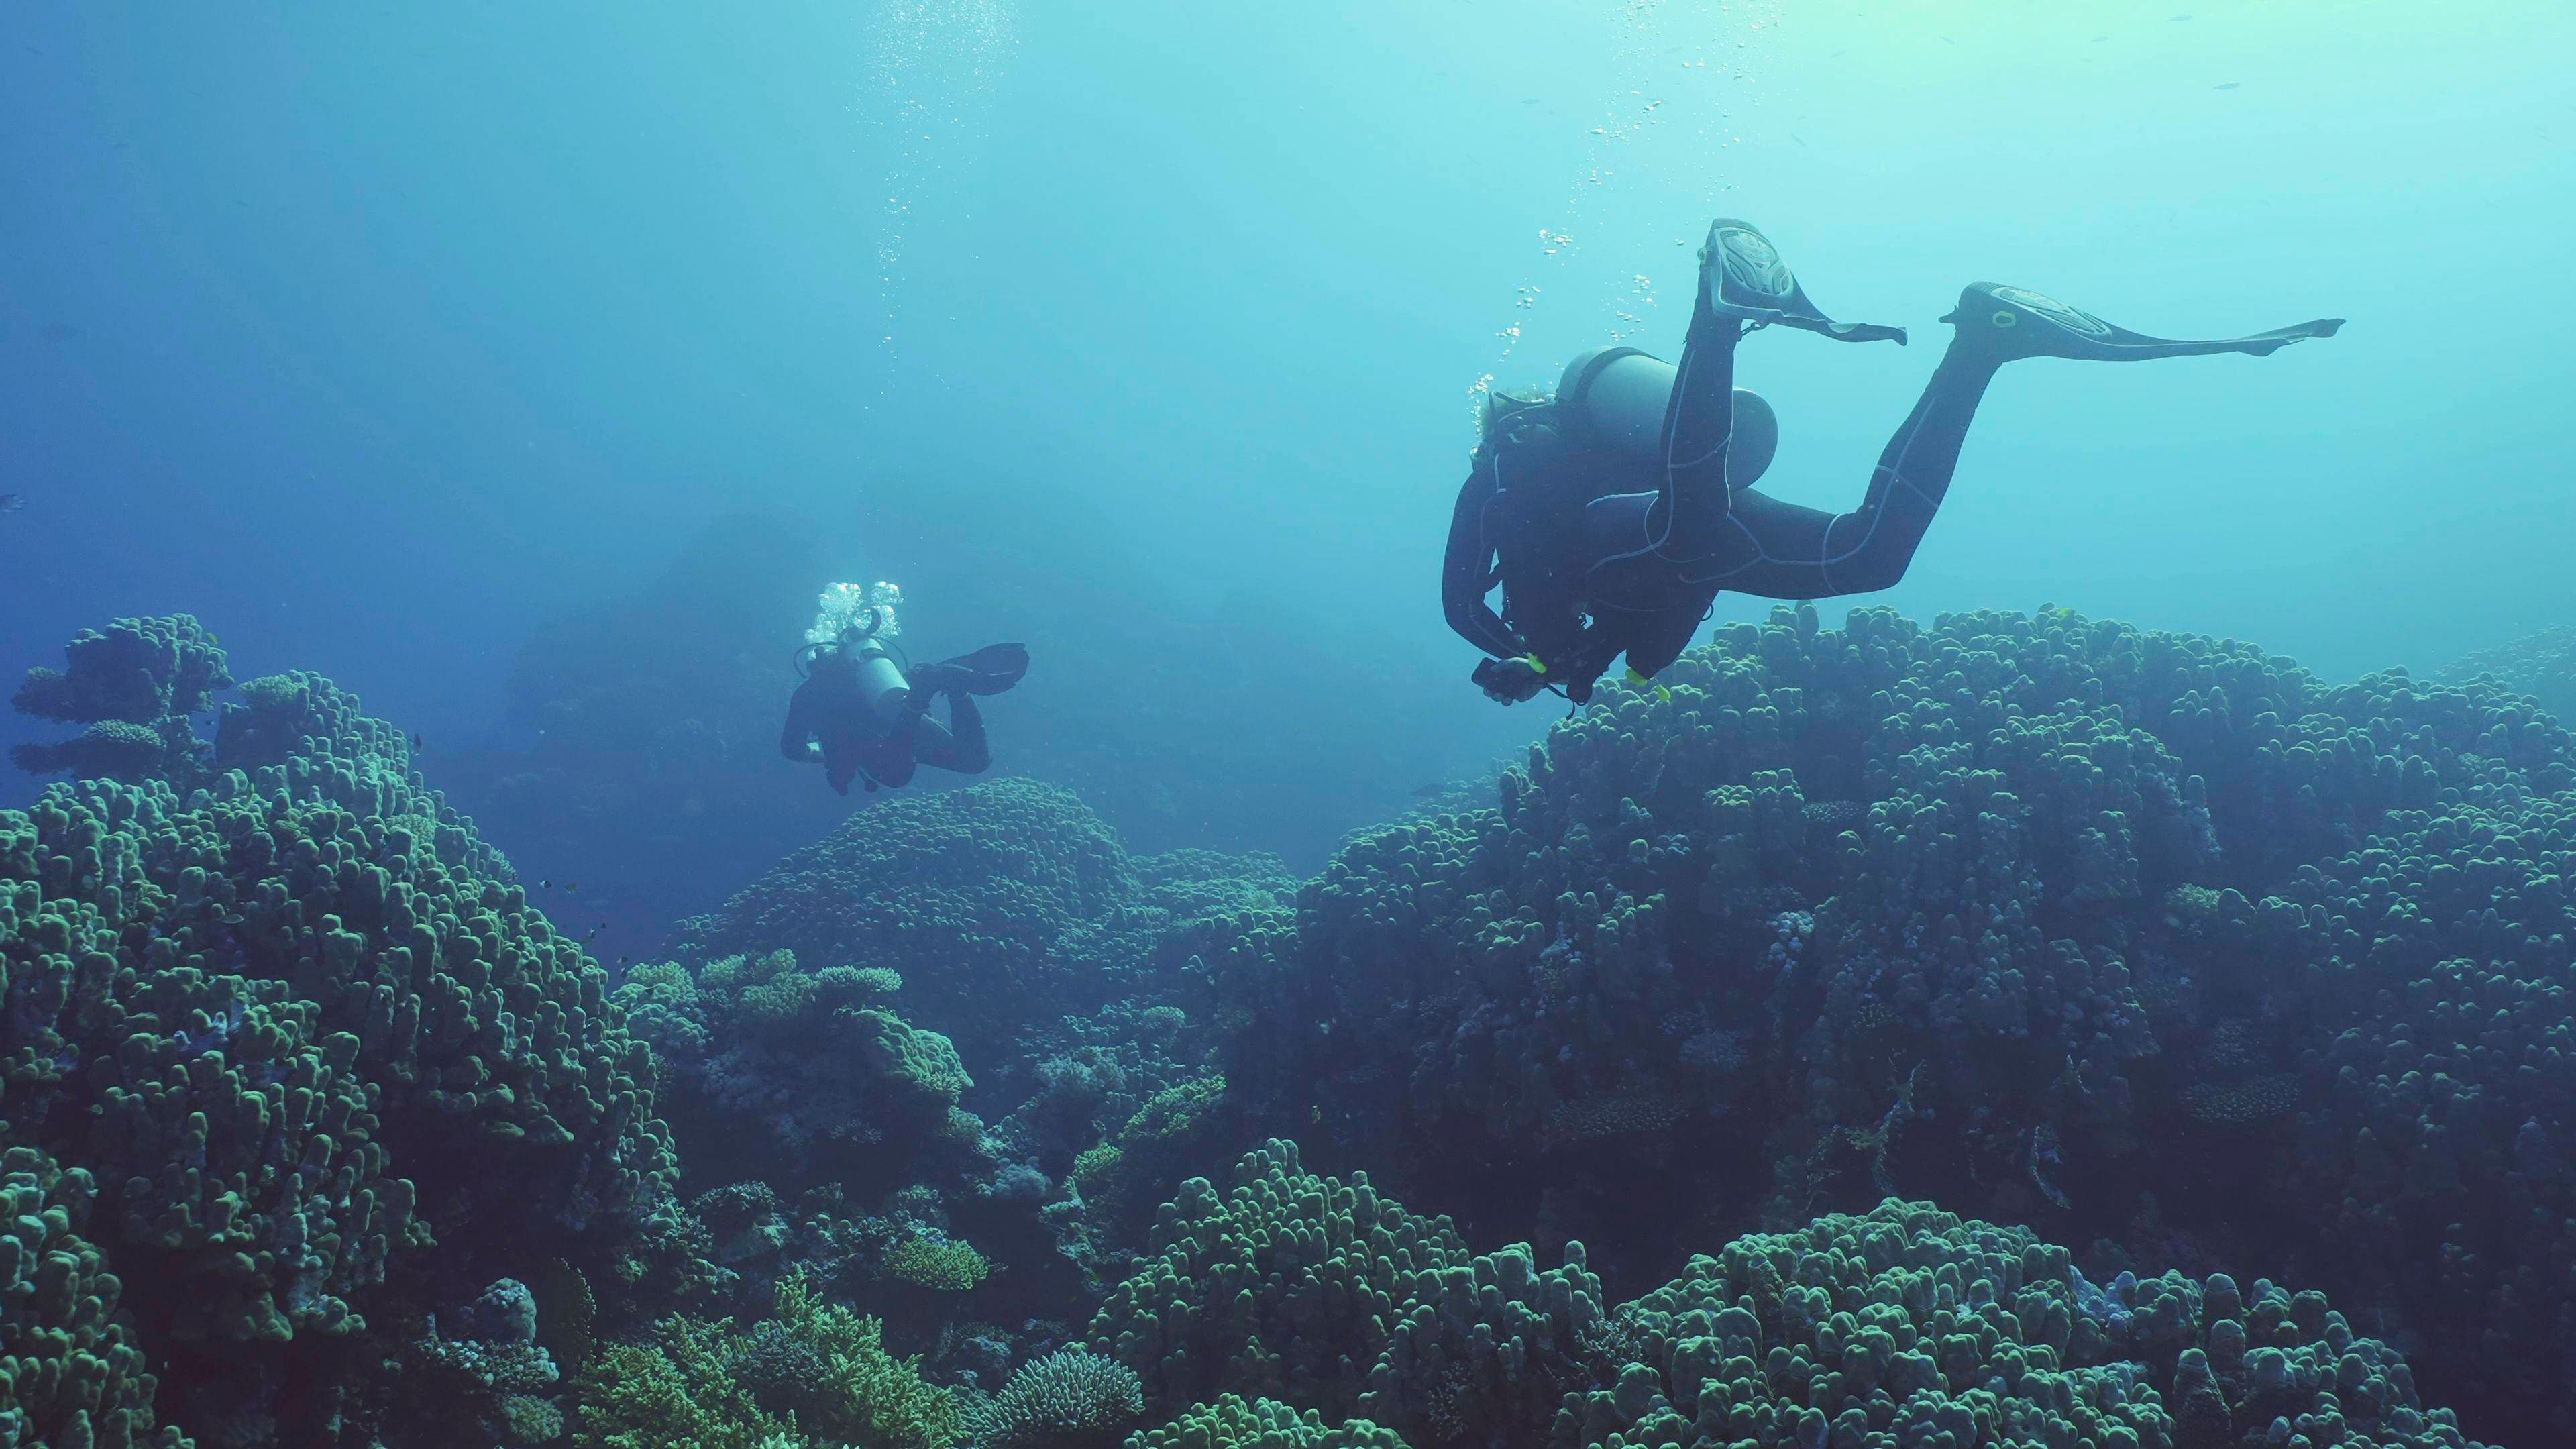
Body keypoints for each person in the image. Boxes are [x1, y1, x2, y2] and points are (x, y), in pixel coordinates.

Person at [1443, 218, 2342, 705]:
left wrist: (1524, 657)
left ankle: (1717, 316)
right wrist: (1590, 670)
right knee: (1869, 559)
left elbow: (1459, 605)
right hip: (1691, 520)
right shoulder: (1605, 643)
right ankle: (1986, 342)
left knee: (1685, 531)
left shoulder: (1503, 495)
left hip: (1657, 516)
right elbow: (1663, 624)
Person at [779, 590, 1027, 794]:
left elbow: (791, 749)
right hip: (900, 715)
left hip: (886, 743)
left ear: (812, 666)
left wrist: (817, 754)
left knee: (895, 776)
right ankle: (954, 689)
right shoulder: (865, 674)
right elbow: (895, 687)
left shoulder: (806, 694)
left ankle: (924, 695)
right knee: (974, 761)